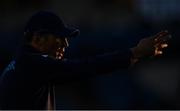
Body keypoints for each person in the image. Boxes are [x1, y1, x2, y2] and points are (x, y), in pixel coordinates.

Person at [0, 11, 171, 110]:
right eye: (60, 37)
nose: (65, 44)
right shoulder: (33, 64)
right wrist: (134, 52)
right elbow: (85, 67)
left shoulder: (17, 64)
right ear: (38, 37)